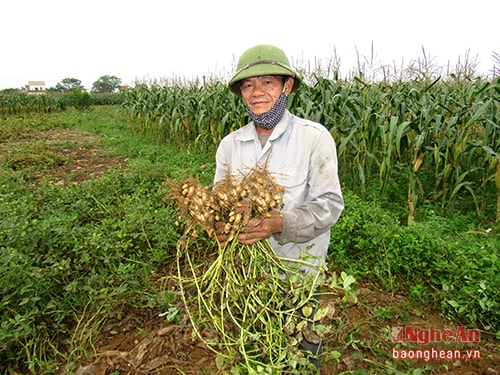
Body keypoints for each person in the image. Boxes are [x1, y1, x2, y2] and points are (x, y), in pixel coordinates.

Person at [213, 44, 344, 371]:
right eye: (247, 85)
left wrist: (280, 223)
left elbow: (330, 205)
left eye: (267, 82)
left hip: (298, 275)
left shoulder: (314, 138)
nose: (256, 92)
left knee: (301, 354)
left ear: (287, 86)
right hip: (248, 277)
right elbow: (219, 202)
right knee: (254, 346)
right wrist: (217, 223)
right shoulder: (230, 145)